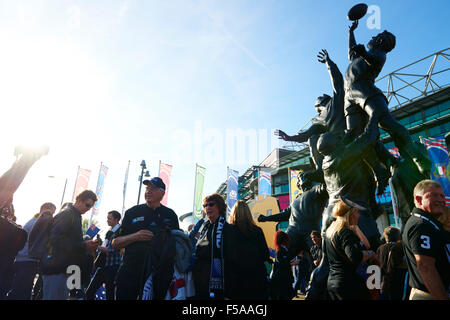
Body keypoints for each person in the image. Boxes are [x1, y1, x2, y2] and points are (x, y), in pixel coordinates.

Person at [344, 20, 426, 178]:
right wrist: (351, 32)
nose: (373, 36)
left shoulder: (380, 54)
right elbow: (351, 53)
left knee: (387, 123)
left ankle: (417, 157)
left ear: (381, 41)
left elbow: (372, 60)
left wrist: (364, 53)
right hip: (350, 96)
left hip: (365, 91)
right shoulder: (359, 56)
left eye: (377, 36)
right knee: (355, 134)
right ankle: (381, 167)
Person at [275, 49, 345, 183]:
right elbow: (338, 80)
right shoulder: (335, 102)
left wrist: (288, 137)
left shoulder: (324, 115)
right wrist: (329, 63)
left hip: (338, 141)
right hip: (343, 139)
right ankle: (320, 170)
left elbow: (304, 137)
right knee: (313, 138)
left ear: (318, 106)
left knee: (313, 139)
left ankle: (319, 169)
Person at [112, 177, 179, 300]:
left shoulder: (170, 215)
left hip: (159, 276)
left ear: (162, 192)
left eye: (152, 188)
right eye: (147, 188)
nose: (148, 191)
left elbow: (177, 244)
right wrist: (136, 236)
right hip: (130, 273)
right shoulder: (132, 212)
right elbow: (115, 243)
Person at [41, 190, 99, 300]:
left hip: (64, 269)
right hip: (56, 269)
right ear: (78, 200)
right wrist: (83, 245)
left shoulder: (75, 215)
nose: (88, 209)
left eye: (90, 207)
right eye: (87, 205)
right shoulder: (67, 214)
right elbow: (54, 240)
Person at [402, 180, 449, 300]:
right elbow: (425, 266)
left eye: (442, 196)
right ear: (418, 199)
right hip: (429, 295)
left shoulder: (429, 223)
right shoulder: (420, 225)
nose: (440, 199)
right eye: (433, 195)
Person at [323, 197, 377, 300]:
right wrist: (370, 254)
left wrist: (356, 228)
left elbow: (366, 245)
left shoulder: (330, 231)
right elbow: (355, 257)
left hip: (333, 283)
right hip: (348, 285)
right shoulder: (345, 232)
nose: (359, 215)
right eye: (356, 212)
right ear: (350, 214)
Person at [7, 203, 56, 300]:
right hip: (27, 259)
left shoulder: (33, 221)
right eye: (51, 213)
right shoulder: (38, 222)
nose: (51, 216)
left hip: (23, 258)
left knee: (18, 289)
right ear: (45, 209)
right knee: (23, 290)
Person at [191, 193, 233, 300]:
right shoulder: (205, 227)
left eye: (211, 204)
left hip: (215, 277)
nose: (207, 208)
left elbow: (232, 257)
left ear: (219, 206)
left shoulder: (227, 228)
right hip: (199, 275)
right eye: (205, 205)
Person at [227, 200, 270, 300]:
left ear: (233, 213)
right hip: (257, 279)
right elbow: (265, 255)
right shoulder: (257, 231)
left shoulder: (229, 231)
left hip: (237, 281)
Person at [85, 210, 122, 300]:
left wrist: (95, 246)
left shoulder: (120, 231)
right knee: (89, 292)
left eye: (109, 218)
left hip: (112, 267)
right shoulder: (110, 231)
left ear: (116, 219)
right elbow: (104, 248)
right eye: (107, 218)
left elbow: (111, 250)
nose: (107, 220)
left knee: (110, 294)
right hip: (103, 266)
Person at [270, 230, 295, 300]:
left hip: (281, 280)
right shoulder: (281, 251)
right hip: (282, 280)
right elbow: (283, 264)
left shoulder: (280, 250)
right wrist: (292, 262)